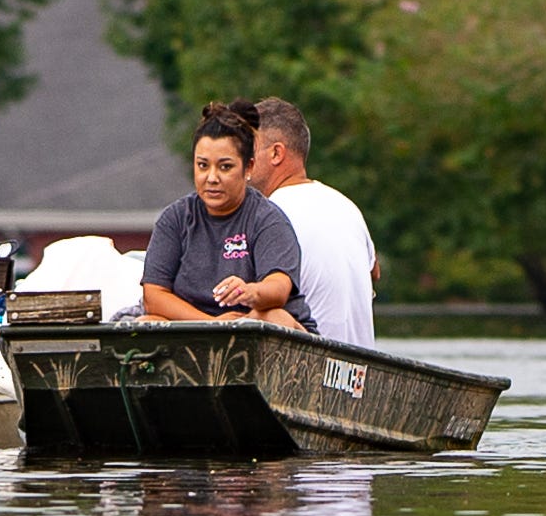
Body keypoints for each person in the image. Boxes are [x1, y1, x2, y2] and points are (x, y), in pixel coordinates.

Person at [142, 102, 315, 331]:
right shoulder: (175, 219)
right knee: (146, 324)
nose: (212, 177)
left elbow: (278, 288)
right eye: (203, 166)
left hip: (255, 328)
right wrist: (213, 325)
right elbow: (154, 294)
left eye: (225, 167)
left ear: (249, 167)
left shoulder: (267, 219)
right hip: (198, 328)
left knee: (272, 317)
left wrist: (250, 291)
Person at [245, 97, 377, 347]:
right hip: (361, 370)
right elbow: (374, 270)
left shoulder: (267, 215)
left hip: (310, 370)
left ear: (276, 153)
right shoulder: (346, 206)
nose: (241, 160)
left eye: (247, 148)